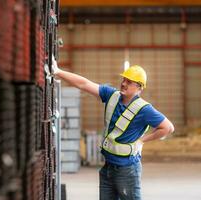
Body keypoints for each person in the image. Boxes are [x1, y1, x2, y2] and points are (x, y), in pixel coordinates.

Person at [51, 56, 174, 200]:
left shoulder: (144, 109)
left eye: (129, 82)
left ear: (139, 87)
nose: (123, 84)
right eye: (123, 80)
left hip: (127, 170)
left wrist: (142, 140)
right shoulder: (111, 95)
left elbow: (168, 127)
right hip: (108, 166)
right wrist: (58, 71)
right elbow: (84, 84)